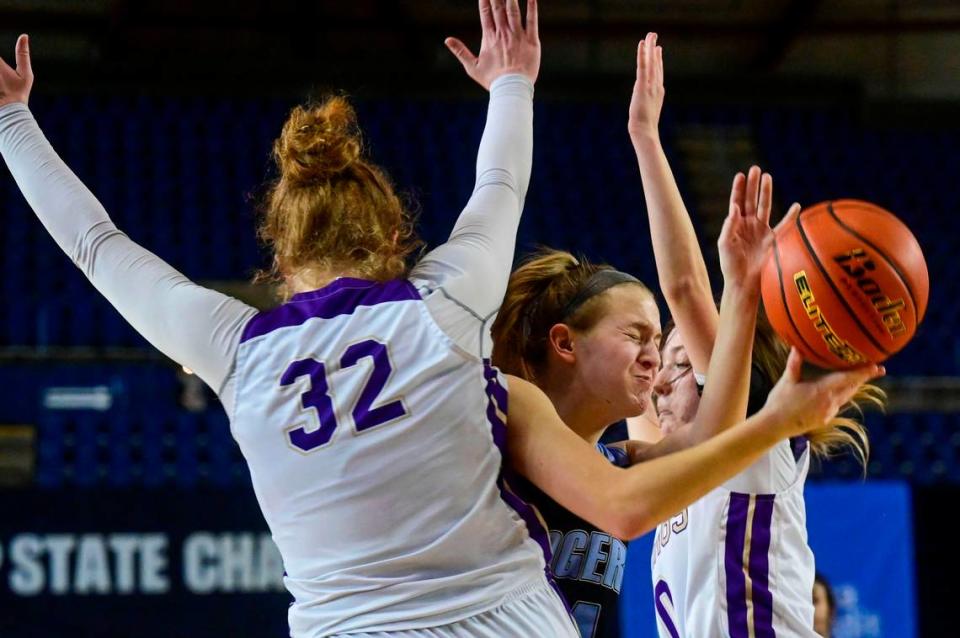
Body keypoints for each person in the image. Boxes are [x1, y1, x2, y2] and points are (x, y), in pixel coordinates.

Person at [0, 14, 882, 638]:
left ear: (278, 251)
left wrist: (12, 122)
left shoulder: (238, 350)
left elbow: (97, 245)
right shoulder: (448, 318)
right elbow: (498, 188)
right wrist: (511, 81)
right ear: (391, 238)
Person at [627, 32, 881, 637]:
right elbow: (636, 391)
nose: (661, 379)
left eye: (683, 363)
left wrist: (646, 141)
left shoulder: (749, 445)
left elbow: (685, 287)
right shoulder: (666, 469)